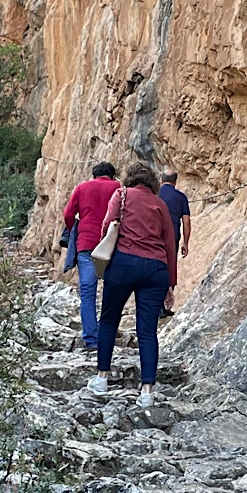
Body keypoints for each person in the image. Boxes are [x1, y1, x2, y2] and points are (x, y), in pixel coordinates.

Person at [87, 162, 177, 407]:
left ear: (129, 178)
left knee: (108, 320)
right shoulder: (161, 205)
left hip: (124, 264)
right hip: (155, 270)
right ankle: (147, 391)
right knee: (147, 330)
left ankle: (102, 378)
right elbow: (170, 245)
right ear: (153, 183)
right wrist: (171, 283)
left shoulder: (121, 195)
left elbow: (107, 227)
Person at [63, 160, 119, 352]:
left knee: (88, 293)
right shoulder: (119, 188)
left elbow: (68, 215)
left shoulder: (82, 188)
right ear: (112, 175)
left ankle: (91, 339)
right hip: (112, 246)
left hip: (86, 245)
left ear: (94, 175)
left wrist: (74, 231)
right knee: (113, 293)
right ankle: (108, 335)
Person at [157, 169, 192, 315]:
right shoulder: (181, 197)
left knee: (156, 266)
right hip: (172, 236)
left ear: (161, 180)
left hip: (155, 235)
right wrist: (186, 242)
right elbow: (186, 221)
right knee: (169, 266)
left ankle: (156, 305)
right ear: (175, 182)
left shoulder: (155, 194)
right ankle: (166, 305)